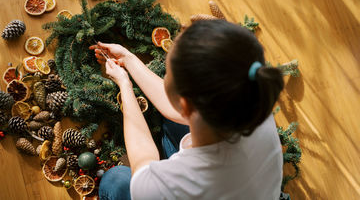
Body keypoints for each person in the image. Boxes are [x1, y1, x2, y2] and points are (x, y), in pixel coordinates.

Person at [92, 20, 284, 200]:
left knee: (116, 181)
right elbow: (172, 105)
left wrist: (125, 85)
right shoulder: (251, 96)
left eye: (168, 73)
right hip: (245, 182)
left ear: (186, 106)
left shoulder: (180, 185)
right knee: (174, 124)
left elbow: (142, 160)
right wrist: (129, 59)